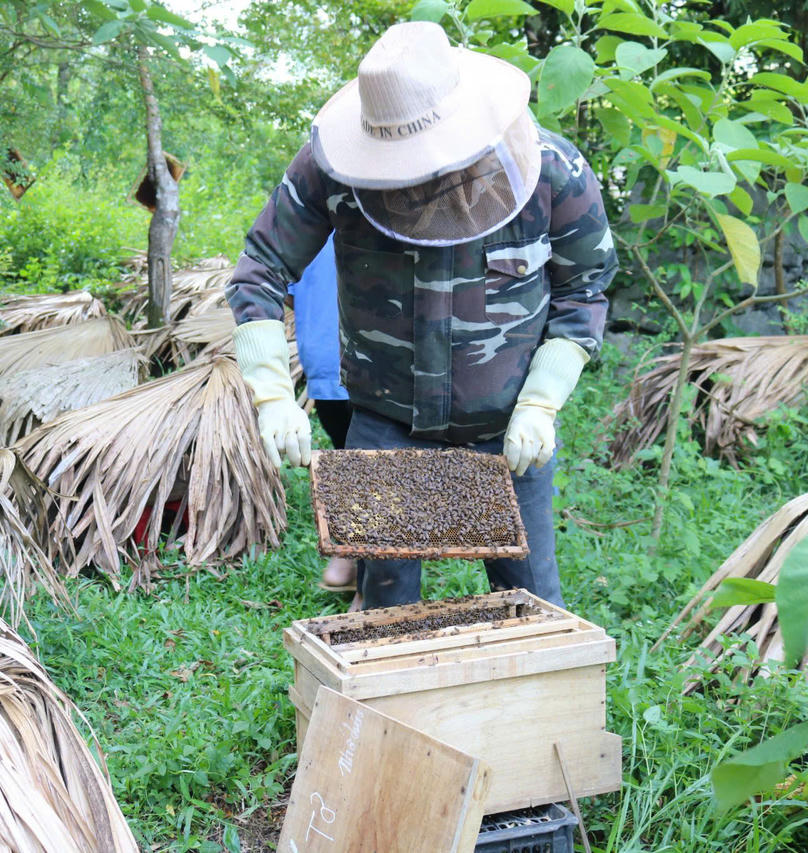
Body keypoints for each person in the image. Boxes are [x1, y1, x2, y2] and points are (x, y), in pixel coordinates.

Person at [227, 21, 615, 611]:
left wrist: (544, 398)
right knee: (383, 614)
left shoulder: (553, 169)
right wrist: (271, 391)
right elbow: (259, 268)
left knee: (535, 609)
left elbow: (586, 286)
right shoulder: (327, 167)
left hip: (509, 427)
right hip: (385, 422)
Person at [287, 236, 357, 594]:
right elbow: (279, 277)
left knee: (379, 457)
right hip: (325, 355)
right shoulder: (309, 194)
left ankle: (371, 578)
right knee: (345, 454)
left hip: (380, 361)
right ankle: (352, 548)